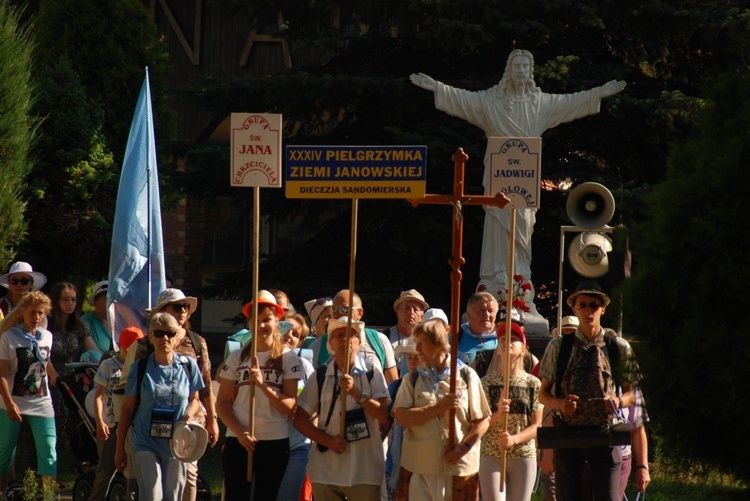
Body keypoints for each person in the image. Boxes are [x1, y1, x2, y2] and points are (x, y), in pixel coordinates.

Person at [410, 50, 626, 334]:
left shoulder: (540, 103)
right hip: (499, 178)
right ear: (509, 71)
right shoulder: (492, 101)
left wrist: (597, 93)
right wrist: (438, 88)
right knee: (497, 228)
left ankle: (520, 290)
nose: (522, 71)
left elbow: (569, 102)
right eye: (517, 66)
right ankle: (493, 287)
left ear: (531, 71)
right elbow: (466, 99)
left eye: (526, 66)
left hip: (525, 182)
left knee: (522, 233)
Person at [538, 281, 642, 500]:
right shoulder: (558, 346)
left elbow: (634, 395)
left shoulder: (618, 346)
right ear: (574, 308)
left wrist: (617, 401)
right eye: (582, 305)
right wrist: (560, 404)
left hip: (606, 434)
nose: (587, 310)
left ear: (602, 308)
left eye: (593, 305)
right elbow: (542, 393)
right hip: (567, 433)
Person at [124, 288, 219, 501]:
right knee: (152, 492)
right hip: (148, 427)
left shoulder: (196, 342)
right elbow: (130, 392)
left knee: (188, 480)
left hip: (186, 425)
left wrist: (212, 419)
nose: (183, 310)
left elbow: (204, 388)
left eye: (186, 306)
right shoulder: (143, 346)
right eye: (177, 306)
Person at [216, 292, 302, 500]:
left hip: (274, 441)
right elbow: (222, 403)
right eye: (256, 320)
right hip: (239, 440)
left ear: (277, 320)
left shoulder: (288, 359)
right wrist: (240, 432)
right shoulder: (237, 357)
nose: (262, 326)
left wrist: (263, 386)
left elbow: (291, 407)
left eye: (267, 320)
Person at [392, 318, 491, 500]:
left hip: (459, 469)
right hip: (420, 468)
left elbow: (483, 420)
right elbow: (401, 417)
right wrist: (438, 408)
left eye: (422, 344)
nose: (418, 349)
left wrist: (463, 448)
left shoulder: (466, 376)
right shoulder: (413, 379)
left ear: (438, 344)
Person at [294, 317, 390, 500]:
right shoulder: (320, 375)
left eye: (351, 335)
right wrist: (327, 440)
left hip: (365, 470)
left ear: (359, 342)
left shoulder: (372, 373)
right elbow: (299, 419)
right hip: (326, 470)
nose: (344, 339)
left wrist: (357, 394)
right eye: (338, 335)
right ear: (330, 342)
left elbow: (384, 414)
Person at [114, 312, 204, 501]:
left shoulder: (189, 366)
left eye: (170, 333)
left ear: (176, 336)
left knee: (173, 497)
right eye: (159, 333)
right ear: (150, 337)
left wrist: (188, 415)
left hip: (177, 442)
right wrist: (119, 448)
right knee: (152, 496)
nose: (165, 338)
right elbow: (127, 409)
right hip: (145, 440)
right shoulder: (139, 368)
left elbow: (195, 398)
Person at [0, 291, 57, 493]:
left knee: (49, 450)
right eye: (32, 312)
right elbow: (2, 374)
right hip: (12, 400)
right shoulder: (8, 338)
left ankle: (50, 496)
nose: (36, 318)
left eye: (41, 313)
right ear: (22, 312)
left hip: (41, 401)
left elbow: (46, 363)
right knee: (5, 452)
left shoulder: (47, 336)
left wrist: (57, 377)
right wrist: (8, 403)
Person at [479, 321, 542, 501]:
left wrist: (514, 439)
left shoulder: (533, 383)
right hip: (491, 453)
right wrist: (497, 414)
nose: (507, 342)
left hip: (523, 454)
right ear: (498, 349)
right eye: (503, 339)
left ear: (523, 349)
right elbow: (479, 423)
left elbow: (537, 424)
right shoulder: (486, 383)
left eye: (513, 339)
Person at [90, 326, 143, 501]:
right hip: (111, 424)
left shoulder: (140, 365)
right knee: (106, 470)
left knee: (133, 473)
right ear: (120, 346)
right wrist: (100, 422)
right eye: (129, 349)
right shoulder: (108, 365)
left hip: (132, 424)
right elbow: (98, 396)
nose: (132, 353)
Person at [310, 289, 398, 383]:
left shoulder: (379, 341)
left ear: (359, 313)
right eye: (334, 309)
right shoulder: (317, 346)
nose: (338, 314)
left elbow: (392, 386)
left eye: (344, 309)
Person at [536, 315, 578, 501]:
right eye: (564, 334)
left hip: (579, 444)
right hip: (552, 441)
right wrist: (545, 450)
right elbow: (542, 409)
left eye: (572, 334)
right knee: (551, 493)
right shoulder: (545, 367)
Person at [276, 312, 316, 501]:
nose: (289, 336)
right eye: (286, 329)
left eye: (296, 334)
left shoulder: (305, 367)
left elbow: (316, 407)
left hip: (298, 446)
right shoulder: (263, 362)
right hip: (268, 442)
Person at [386, 336, 422, 496]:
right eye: (410, 358)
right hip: (397, 458)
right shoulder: (396, 386)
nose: (413, 362)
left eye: (417, 357)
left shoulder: (436, 386)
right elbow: (385, 422)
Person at [384, 289, 428, 376]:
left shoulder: (427, 339)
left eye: (415, 309)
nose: (411, 313)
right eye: (407, 308)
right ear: (398, 313)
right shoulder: (385, 337)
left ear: (422, 316)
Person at [457, 292, 499, 378]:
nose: (487, 315)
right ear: (469, 315)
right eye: (481, 311)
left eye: (490, 311)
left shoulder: (503, 338)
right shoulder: (456, 336)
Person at [81, 280, 113, 353]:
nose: (109, 302)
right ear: (95, 302)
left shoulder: (120, 322)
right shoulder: (84, 322)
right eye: (105, 298)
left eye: (111, 298)